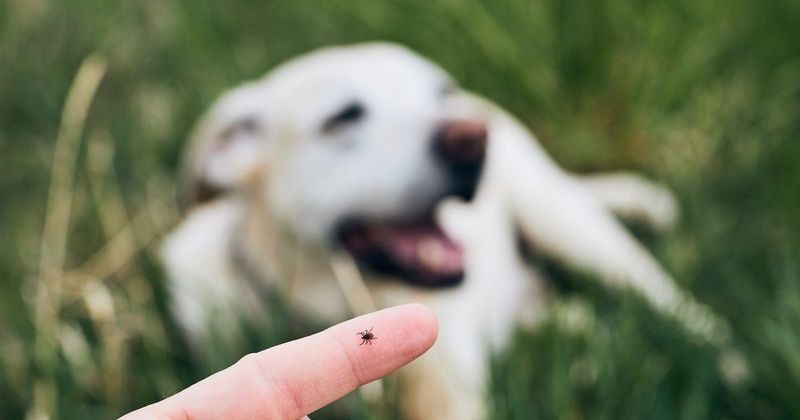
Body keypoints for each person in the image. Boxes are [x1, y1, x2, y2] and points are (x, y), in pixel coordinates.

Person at [121, 304, 438, 419]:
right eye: (367, 336)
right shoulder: (365, 336)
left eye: (367, 336)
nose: (367, 336)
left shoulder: (366, 335)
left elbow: (366, 336)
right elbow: (365, 336)